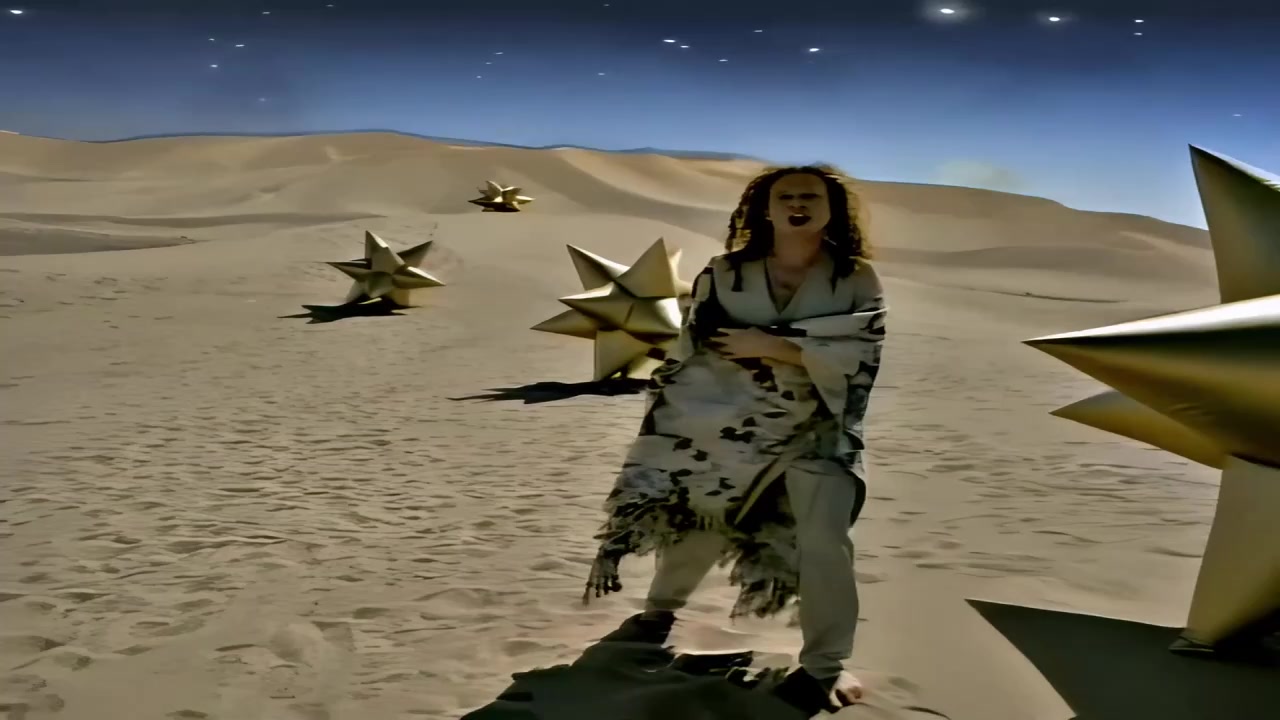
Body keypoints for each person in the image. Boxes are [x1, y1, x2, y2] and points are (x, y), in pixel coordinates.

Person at [582, 164, 887, 712]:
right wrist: (804, 349)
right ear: (764, 209)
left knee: (825, 544)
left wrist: (772, 346)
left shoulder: (855, 277)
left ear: (832, 210)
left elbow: (862, 350)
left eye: (810, 197)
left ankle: (825, 665)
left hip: (819, 430)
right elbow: (699, 343)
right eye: (785, 196)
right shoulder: (726, 273)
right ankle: (658, 612)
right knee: (701, 519)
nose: (797, 205)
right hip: (723, 422)